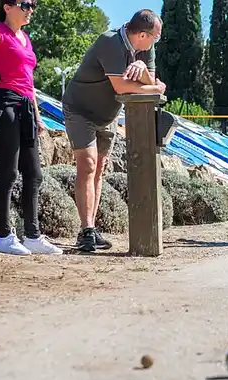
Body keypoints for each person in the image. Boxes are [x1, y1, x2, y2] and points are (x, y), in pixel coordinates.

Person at [0, 0, 62, 256]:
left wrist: (38, 117)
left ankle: (32, 236)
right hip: (4, 103)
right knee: (8, 173)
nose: (30, 10)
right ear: (7, 7)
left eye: (33, 6)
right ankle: (3, 237)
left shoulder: (25, 38)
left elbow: (29, 83)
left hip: (26, 106)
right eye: (25, 4)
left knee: (34, 174)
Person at [62, 9, 167, 252]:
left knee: (99, 168)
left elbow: (151, 83)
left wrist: (142, 72)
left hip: (108, 115)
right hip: (80, 110)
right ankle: (86, 231)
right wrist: (152, 85)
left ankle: (91, 230)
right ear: (142, 34)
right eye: (156, 37)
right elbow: (122, 87)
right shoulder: (109, 42)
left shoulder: (146, 49)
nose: (156, 42)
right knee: (87, 165)